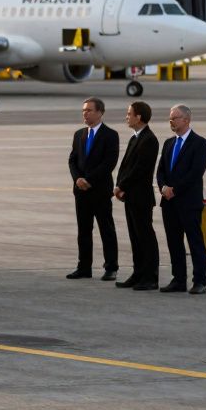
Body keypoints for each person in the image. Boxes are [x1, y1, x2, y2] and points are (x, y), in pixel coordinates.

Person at [156, 104, 206, 294]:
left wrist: (175, 190)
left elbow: (195, 172)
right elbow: (160, 171)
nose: (171, 121)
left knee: (195, 242)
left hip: (188, 202)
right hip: (169, 202)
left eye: (175, 118)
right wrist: (163, 187)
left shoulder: (199, 143)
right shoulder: (168, 143)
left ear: (186, 120)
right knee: (174, 242)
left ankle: (199, 281)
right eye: (170, 118)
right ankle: (178, 279)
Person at [66, 97, 120, 280]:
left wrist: (88, 180)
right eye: (83, 110)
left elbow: (109, 163)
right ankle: (84, 267)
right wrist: (78, 179)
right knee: (83, 230)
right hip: (81, 191)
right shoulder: (79, 134)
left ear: (100, 113)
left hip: (100, 190)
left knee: (106, 229)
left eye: (89, 110)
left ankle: (111, 267)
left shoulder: (110, 135)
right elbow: (72, 160)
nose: (85, 113)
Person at [113, 101, 159, 290]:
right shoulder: (135, 137)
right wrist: (119, 185)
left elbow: (140, 169)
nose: (127, 117)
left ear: (138, 117)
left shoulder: (149, 140)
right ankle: (138, 273)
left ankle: (150, 277)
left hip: (141, 196)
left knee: (145, 236)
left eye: (129, 113)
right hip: (131, 195)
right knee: (135, 237)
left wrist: (121, 186)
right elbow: (125, 166)